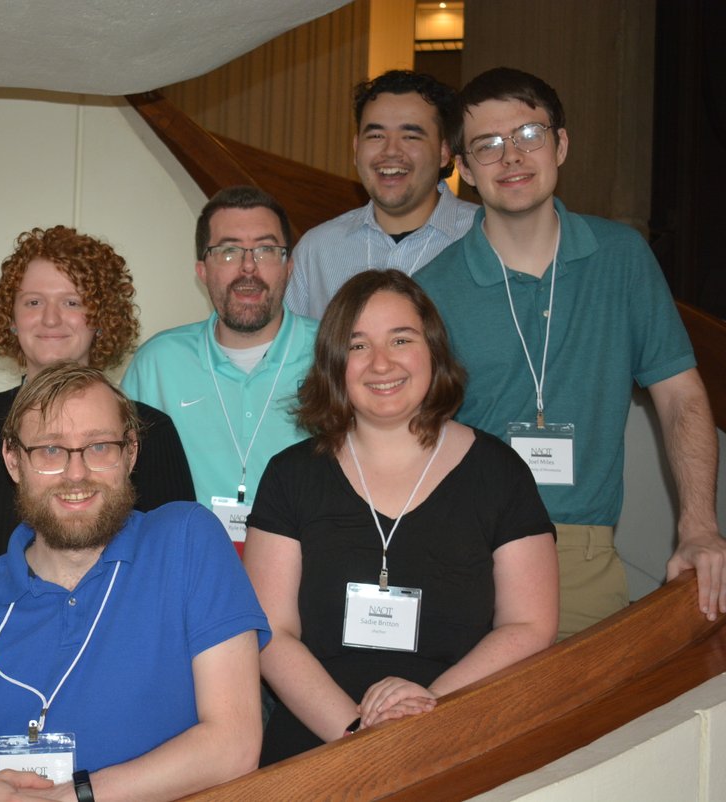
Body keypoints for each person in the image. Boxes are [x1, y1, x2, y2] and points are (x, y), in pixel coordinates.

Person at [414, 67, 726, 638]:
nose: (511, 157)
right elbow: (412, 434)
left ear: (560, 144)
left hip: (584, 554)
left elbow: (680, 396)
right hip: (464, 551)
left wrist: (699, 527)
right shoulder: (431, 288)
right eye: (488, 145)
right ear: (462, 167)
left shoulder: (622, 258)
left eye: (529, 135)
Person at [0, 363, 269, 801]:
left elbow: (234, 744)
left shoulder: (186, 541)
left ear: (130, 453)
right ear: (13, 460)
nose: (76, 474)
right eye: (50, 450)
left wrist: (74, 797)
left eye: (99, 447)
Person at [245, 270, 558, 764]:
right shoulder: (291, 476)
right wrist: (355, 734)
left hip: (459, 733)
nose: (381, 363)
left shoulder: (500, 473)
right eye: (358, 345)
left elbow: (530, 624)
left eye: (401, 339)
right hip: (318, 743)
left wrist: (425, 710)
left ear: (432, 349)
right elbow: (270, 632)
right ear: (334, 363)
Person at [0, 225, 195, 579]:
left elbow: (175, 560)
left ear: (102, 320)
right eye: (33, 302)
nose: (50, 318)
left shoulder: (150, 429)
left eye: (72, 302)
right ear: (11, 319)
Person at [122, 186, 315, 551]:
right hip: (184, 578)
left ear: (289, 266)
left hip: (307, 575)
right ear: (202, 270)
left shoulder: (334, 354)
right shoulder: (157, 364)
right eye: (228, 251)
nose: (247, 267)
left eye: (265, 249)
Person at [287, 70, 478, 321]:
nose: (390, 151)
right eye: (376, 135)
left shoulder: (484, 237)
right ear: (356, 149)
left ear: (444, 152)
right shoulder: (317, 250)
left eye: (410, 136)